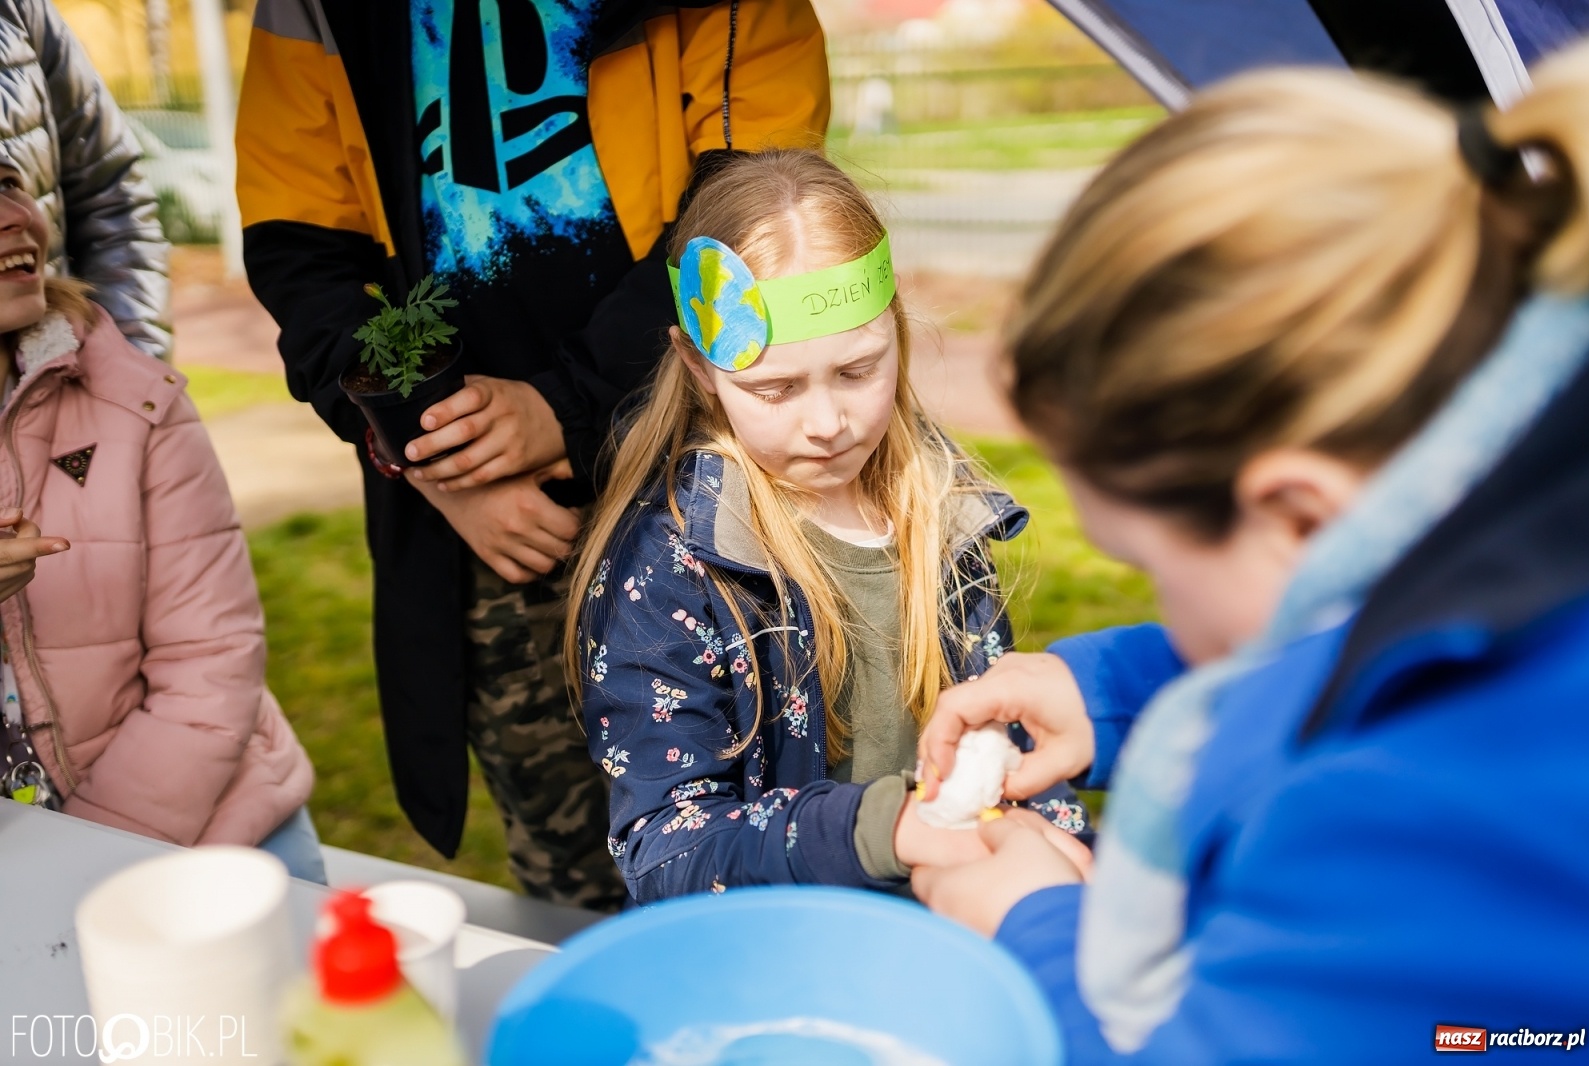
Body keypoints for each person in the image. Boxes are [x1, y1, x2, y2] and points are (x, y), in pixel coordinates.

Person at [911, 40, 1589, 1062]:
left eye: (1150, 561)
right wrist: (1107, 686)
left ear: (1299, 513)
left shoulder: (1415, 814)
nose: (1161, 600)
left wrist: (1031, 927)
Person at [236, 0, 830, 909]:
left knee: (771, 832)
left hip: (713, 477)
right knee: (572, 877)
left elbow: (754, 209)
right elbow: (302, 249)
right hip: (501, 534)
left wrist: (569, 405)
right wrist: (441, 457)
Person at [565, 150, 1091, 903]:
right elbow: (667, 851)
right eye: (775, 388)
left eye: (857, 370)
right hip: (788, 965)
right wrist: (884, 829)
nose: (828, 424)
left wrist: (1069, 853)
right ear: (699, 367)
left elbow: (1012, 746)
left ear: (896, 330)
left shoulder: (938, 510)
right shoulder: (669, 568)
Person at [0, 158, 319, 880]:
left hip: (201, 829)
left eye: (8, 182)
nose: (13, 216)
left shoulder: (135, 401)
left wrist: (89, 863)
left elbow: (212, 660)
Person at [0, 0, 169, 358]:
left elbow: (113, 195)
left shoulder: (18, 10)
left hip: (53, 382)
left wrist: (126, 374)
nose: (19, 216)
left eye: (8, 185)